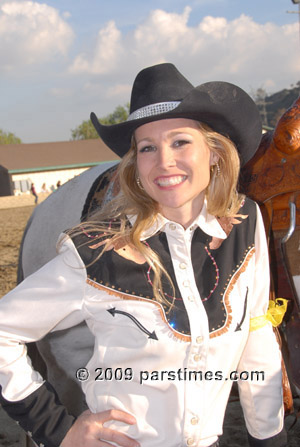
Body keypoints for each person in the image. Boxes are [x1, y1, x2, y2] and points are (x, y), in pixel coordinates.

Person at [0, 63, 286, 447]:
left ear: (214, 152)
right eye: (148, 147)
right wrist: (58, 430)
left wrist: (269, 438)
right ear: (136, 163)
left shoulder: (245, 222)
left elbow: (256, 334)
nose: (164, 160)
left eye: (180, 141)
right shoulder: (95, 250)